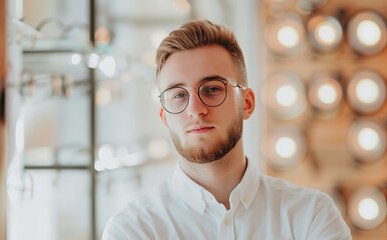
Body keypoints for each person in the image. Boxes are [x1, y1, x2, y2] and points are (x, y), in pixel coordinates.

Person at [102, 20, 351, 240]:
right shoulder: (131, 231)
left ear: (247, 103)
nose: (195, 110)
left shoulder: (311, 215)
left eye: (211, 89)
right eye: (178, 95)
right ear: (164, 117)